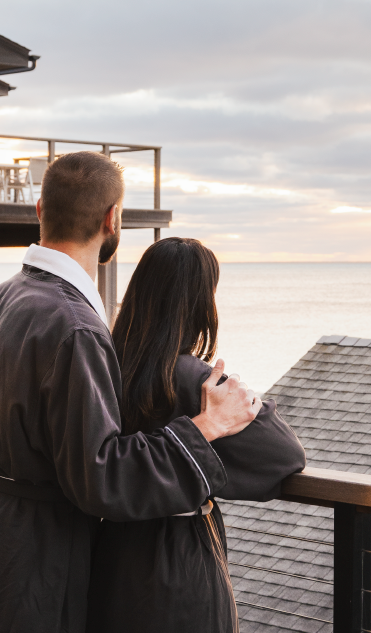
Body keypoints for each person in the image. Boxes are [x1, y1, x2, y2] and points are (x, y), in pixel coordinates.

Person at [0, 151, 261, 633]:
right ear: (111, 220)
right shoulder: (75, 326)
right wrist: (207, 427)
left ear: (40, 210)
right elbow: (100, 475)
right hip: (41, 554)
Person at [86, 238, 308, 633]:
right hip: (177, 561)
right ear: (200, 304)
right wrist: (237, 396)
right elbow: (284, 456)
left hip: (108, 555)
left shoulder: (104, 366)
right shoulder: (193, 382)